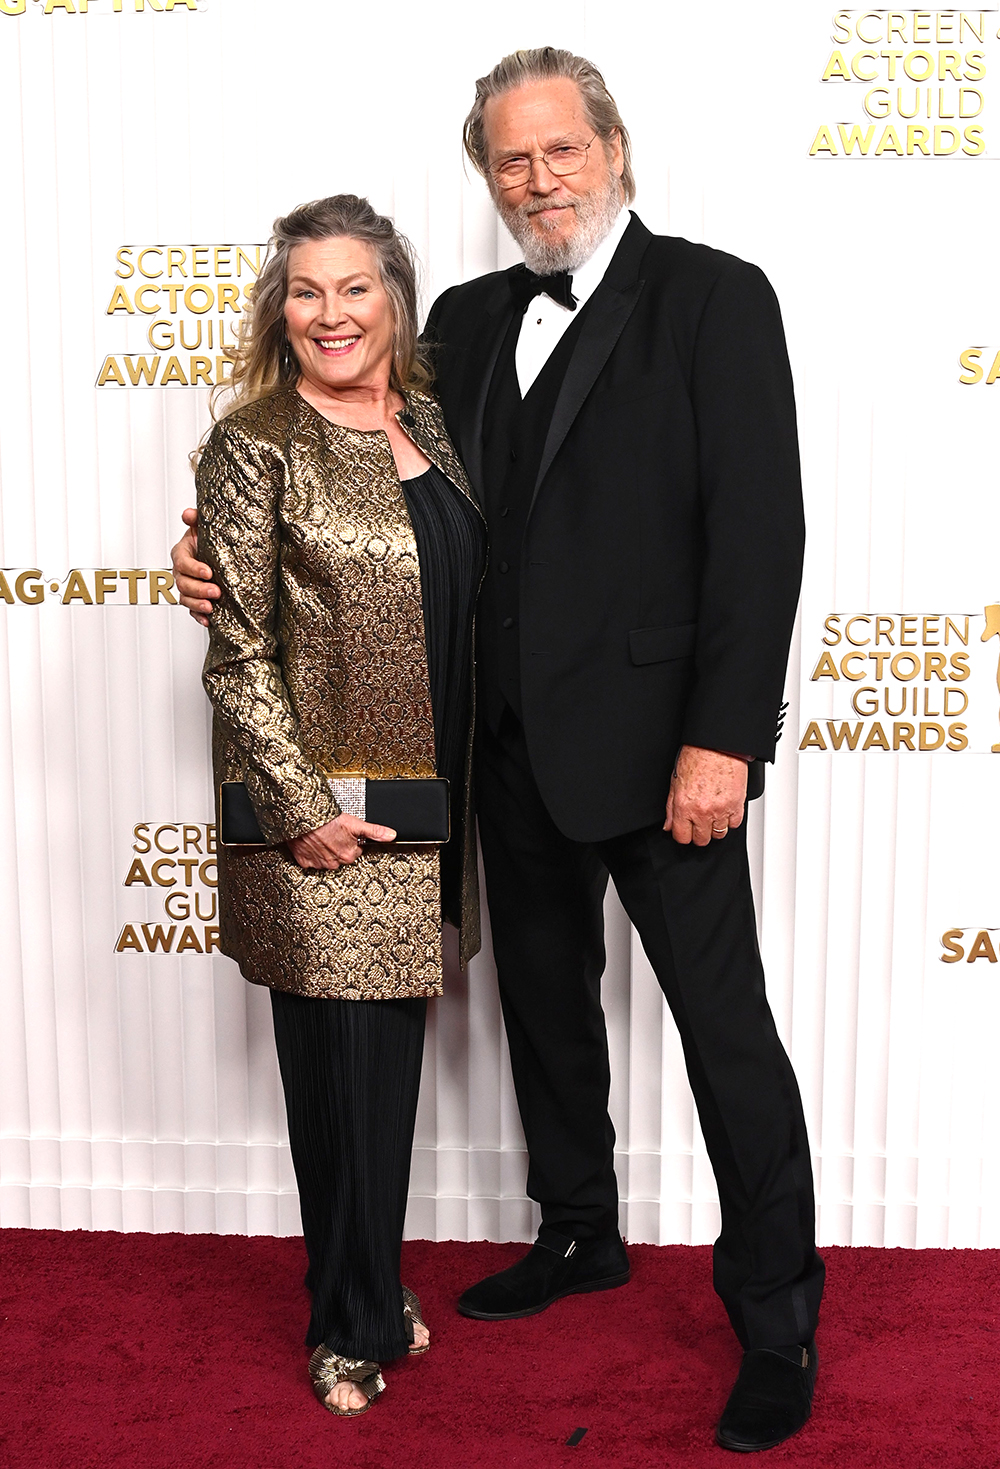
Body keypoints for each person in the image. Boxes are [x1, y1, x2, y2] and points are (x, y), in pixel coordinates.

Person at [174, 49, 822, 1451]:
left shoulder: (716, 296)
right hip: (502, 755)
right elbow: (364, 481)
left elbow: (762, 534)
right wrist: (213, 553)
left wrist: (726, 738)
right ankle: (578, 1231)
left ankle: (778, 1318)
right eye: (511, 160)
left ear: (615, 146)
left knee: (728, 1036)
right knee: (542, 1009)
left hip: (667, 760)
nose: (538, 180)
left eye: (560, 150)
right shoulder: (460, 321)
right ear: (488, 176)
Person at [192, 193, 485, 1416]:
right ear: (282, 307)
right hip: (326, 822)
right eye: (306, 290)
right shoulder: (254, 440)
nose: (330, 313)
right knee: (340, 1086)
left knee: (383, 1084)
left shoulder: (429, 419)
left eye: (353, 287)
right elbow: (239, 648)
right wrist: (302, 804)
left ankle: (362, 1282)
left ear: (394, 298)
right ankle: (347, 1323)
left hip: (427, 813)